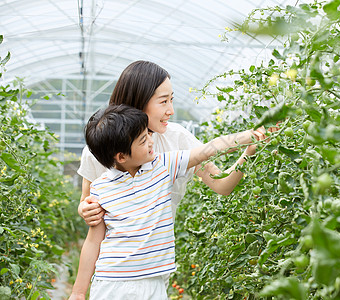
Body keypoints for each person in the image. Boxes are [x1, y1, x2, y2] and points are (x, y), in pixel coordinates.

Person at [69, 105, 266, 299]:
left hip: (154, 283)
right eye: (143, 140)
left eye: (149, 135)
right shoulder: (101, 188)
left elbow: (206, 151)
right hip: (112, 284)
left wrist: (250, 136)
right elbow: (93, 241)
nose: (151, 142)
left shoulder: (163, 166)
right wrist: (78, 292)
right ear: (121, 156)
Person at [78, 60, 256, 227]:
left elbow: (221, 184)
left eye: (171, 100)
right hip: (111, 256)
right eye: (163, 101)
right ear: (138, 101)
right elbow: (86, 201)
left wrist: (251, 148)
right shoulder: (98, 150)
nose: (170, 110)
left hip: (157, 255)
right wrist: (85, 210)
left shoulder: (177, 138)